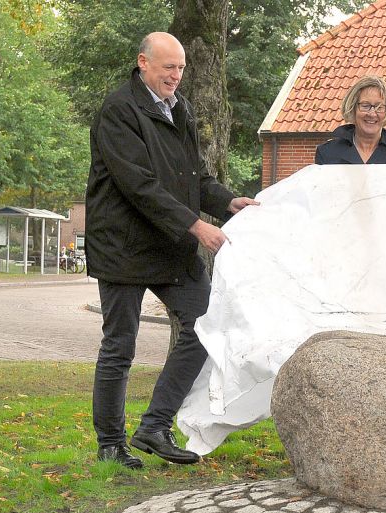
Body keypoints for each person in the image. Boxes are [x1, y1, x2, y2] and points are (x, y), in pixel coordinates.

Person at [86, 32, 259, 469]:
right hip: (123, 246)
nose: (176, 76)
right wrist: (196, 225)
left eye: (181, 67)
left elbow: (191, 179)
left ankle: (153, 426)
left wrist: (225, 203)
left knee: (203, 323)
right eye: (168, 67)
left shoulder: (181, 109)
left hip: (169, 246)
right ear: (143, 63)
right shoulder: (119, 110)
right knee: (119, 346)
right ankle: (111, 442)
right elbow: (139, 185)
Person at [315, 76, 386, 165]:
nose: (372, 114)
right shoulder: (327, 153)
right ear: (353, 108)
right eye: (365, 106)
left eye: (379, 107)